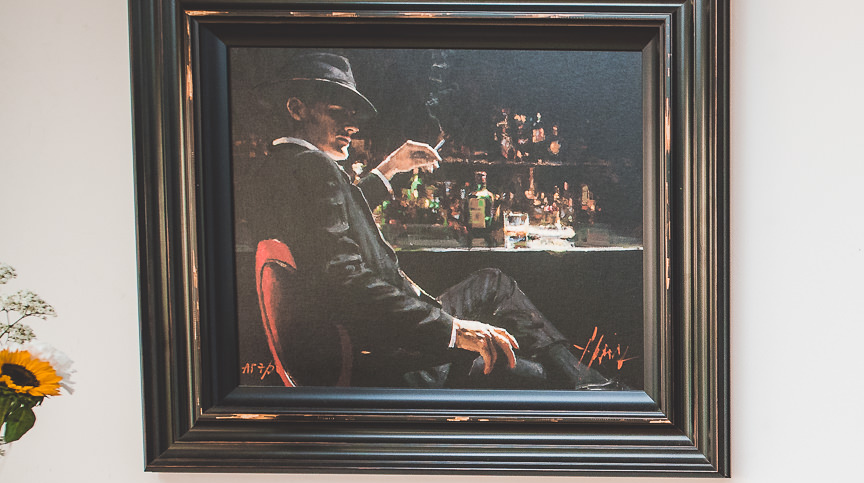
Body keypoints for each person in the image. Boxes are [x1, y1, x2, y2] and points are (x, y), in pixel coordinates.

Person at [236, 51, 611, 389]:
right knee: (507, 312)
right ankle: (589, 388)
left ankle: (584, 383)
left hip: (359, 341)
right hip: (386, 350)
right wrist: (453, 330)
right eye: (339, 111)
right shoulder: (316, 168)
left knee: (491, 283)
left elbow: (329, 223)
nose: (354, 125)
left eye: (354, 113)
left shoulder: (277, 169)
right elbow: (346, 279)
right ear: (297, 108)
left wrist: (389, 168)